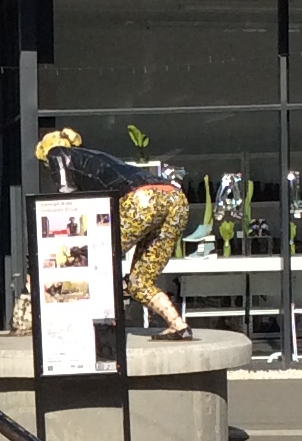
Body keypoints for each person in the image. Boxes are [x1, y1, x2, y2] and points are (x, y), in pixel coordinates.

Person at [34, 128, 196, 338]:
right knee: (139, 281)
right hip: (174, 197)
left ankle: (90, 325)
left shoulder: (57, 153)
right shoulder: (95, 156)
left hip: (142, 198)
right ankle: (178, 325)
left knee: (93, 258)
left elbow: (67, 198)